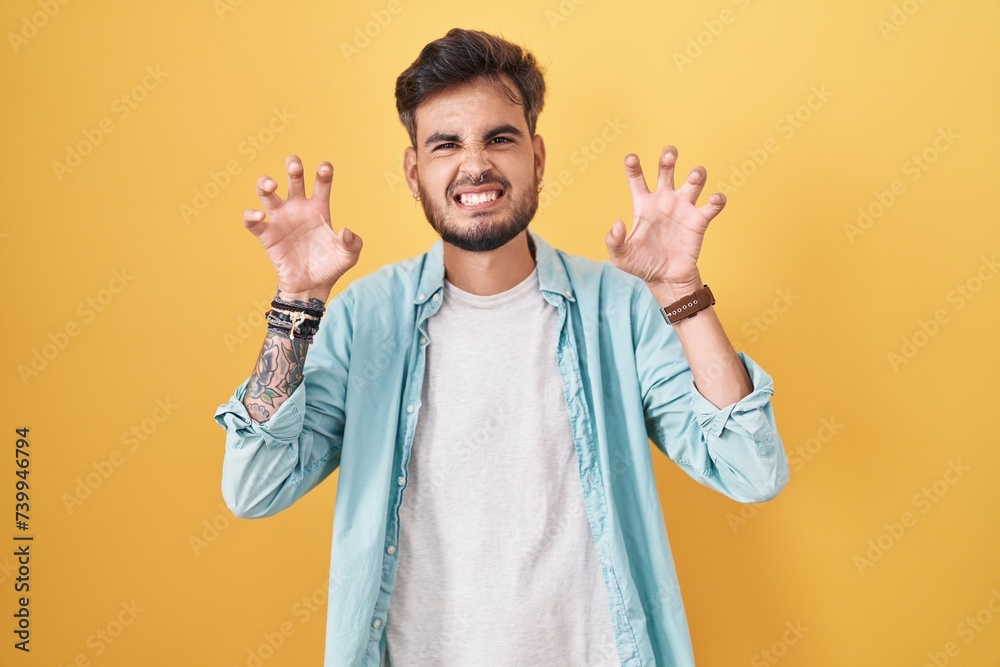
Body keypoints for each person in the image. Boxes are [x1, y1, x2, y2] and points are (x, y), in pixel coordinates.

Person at [214, 27, 789, 667]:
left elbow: (749, 468)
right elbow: (255, 488)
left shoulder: (618, 308)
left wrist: (681, 289)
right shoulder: (365, 319)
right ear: (414, 171)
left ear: (537, 158)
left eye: (499, 138)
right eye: (446, 144)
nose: (475, 165)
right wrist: (297, 304)